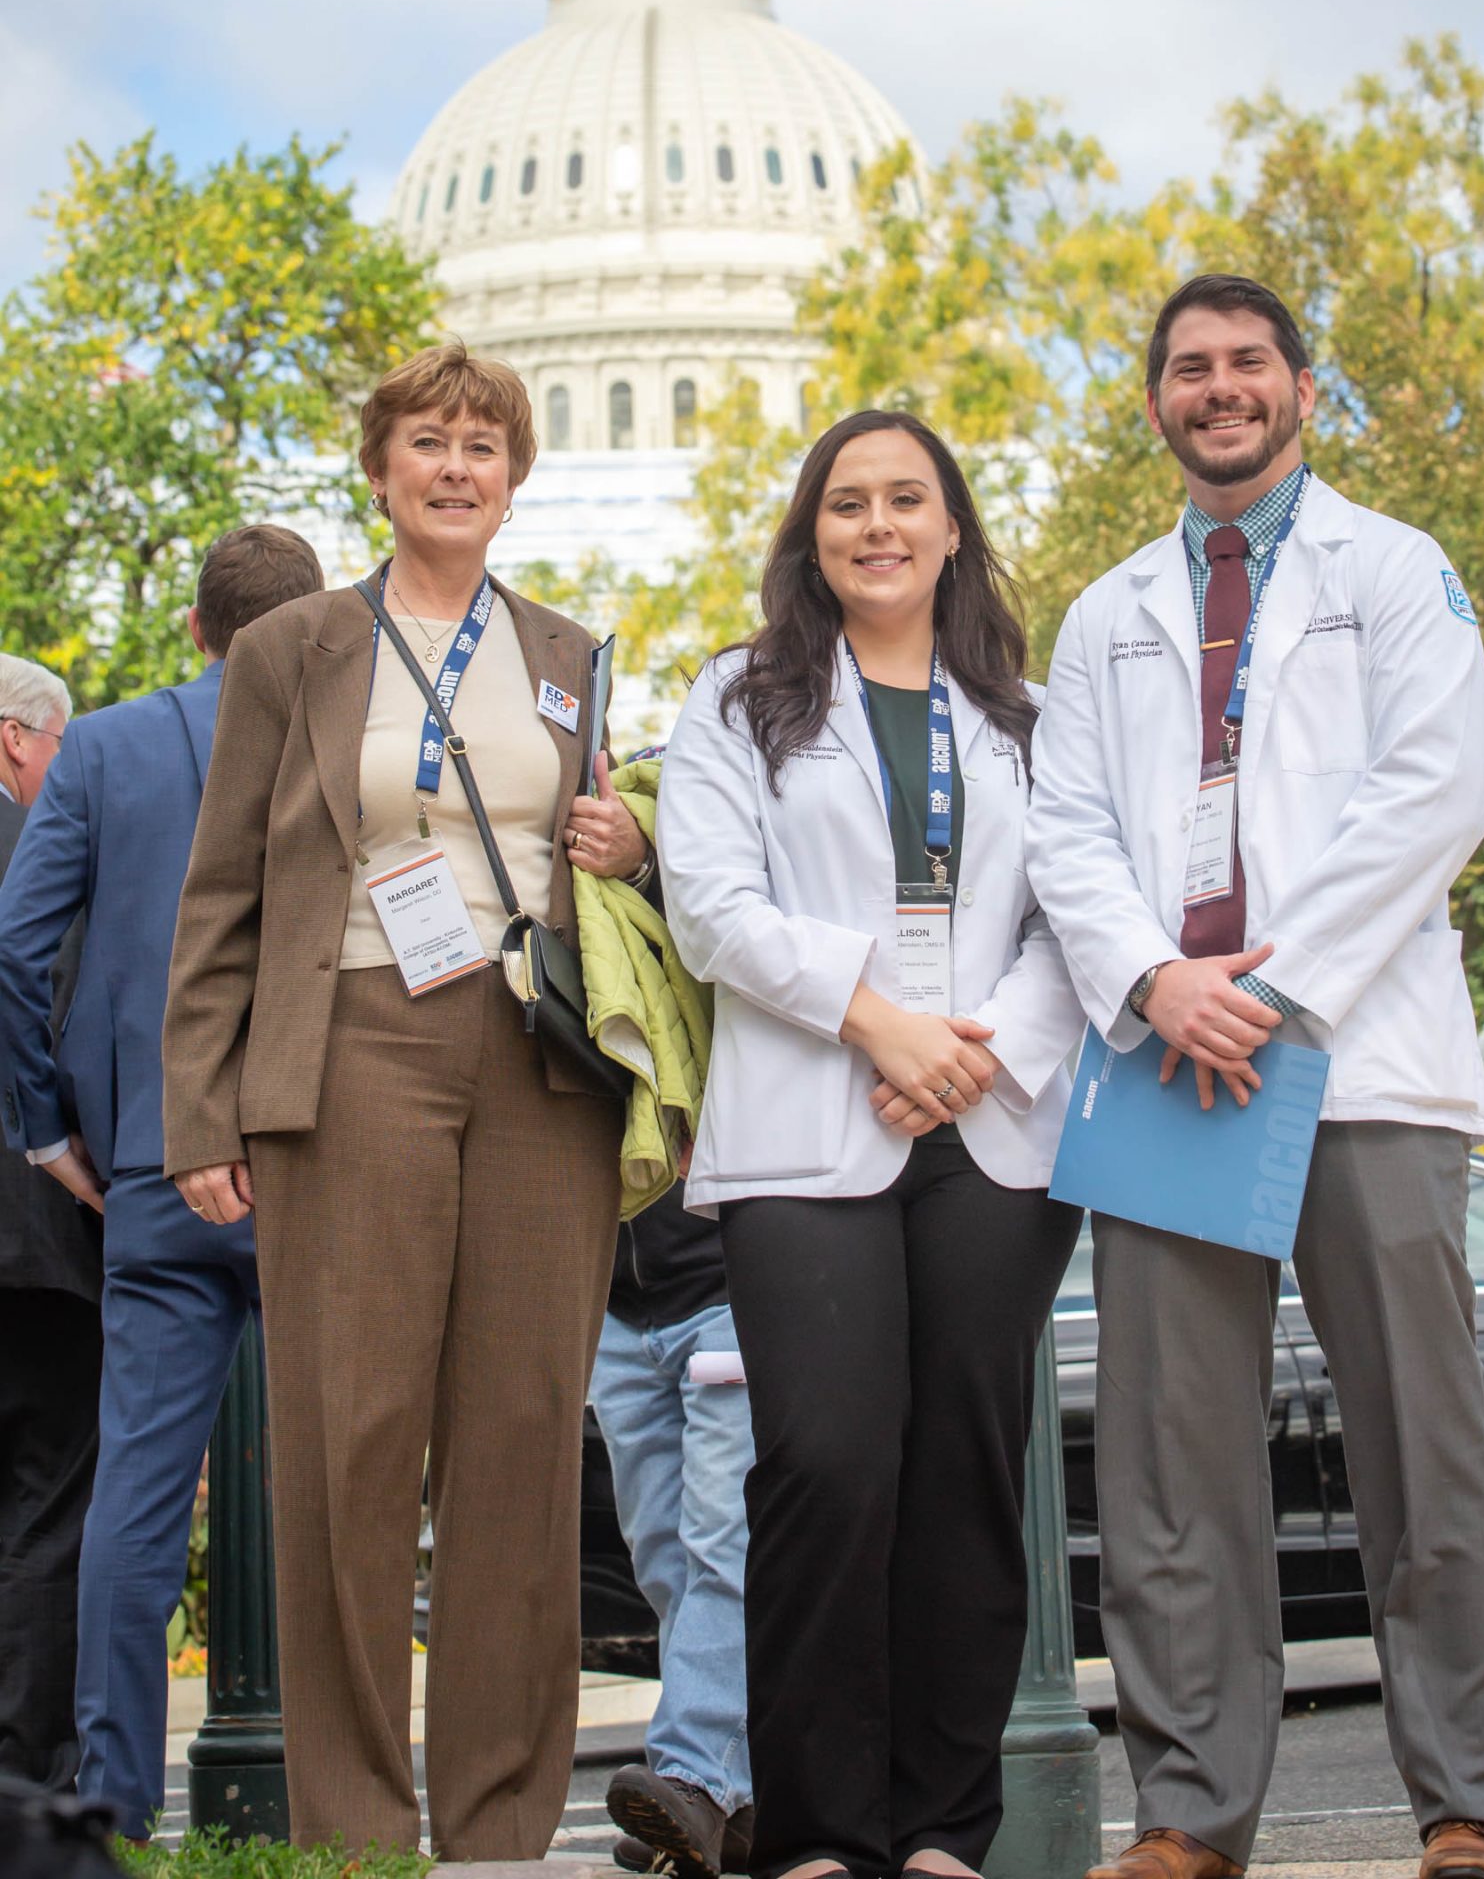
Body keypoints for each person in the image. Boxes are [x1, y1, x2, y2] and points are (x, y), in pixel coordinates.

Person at [1026, 274, 1484, 1879]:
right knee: (1174, 1472)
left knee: (1417, 1442)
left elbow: (1431, 792)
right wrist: (1157, 984)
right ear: (1155, 401)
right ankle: (1185, 1816)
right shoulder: (1104, 616)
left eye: (1247, 363)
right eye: (1189, 368)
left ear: (1303, 389)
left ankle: (1462, 1804)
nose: (1218, 388)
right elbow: (1069, 834)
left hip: (1357, 1058)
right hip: (1169, 1061)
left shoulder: (1393, 572)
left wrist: (1274, 986)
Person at [161, 342, 650, 1863]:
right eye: (428, 442)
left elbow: (599, 852)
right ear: (378, 469)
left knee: (517, 1442)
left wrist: (621, 837)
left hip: (535, 1057)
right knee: (348, 1448)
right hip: (351, 1044)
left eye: (483, 447)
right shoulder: (294, 648)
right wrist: (202, 1110)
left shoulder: (569, 652)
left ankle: (498, 1831)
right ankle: (360, 1834)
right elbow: (222, 890)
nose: (455, 468)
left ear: (515, 478)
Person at [658, 408, 1085, 1879]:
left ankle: (941, 1834)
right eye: (847, 504)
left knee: (962, 1479)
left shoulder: (1029, 717)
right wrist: (878, 1026)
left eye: (907, 500)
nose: (878, 526)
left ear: (952, 526)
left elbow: (1068, 917)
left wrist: (975, 1054)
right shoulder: (737, 700)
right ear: (812, 533)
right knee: (826, 1470)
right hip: (805, 1131)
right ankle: (822, 1836)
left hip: (991, 1130)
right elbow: (711, 907)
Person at [0, 534, 324, 1838]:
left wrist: (51, 1133)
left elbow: (18, 955)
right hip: (326, 1171)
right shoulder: (359, 751)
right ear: (313, 630)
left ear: (194, 625)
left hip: (147, 1169)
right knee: (353, 1496)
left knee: (131, 1506)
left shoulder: (103, 752)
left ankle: (116, 1811)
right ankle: (349, 1812)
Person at [0, 654, 100, 1795]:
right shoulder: (42, 855)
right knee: (44, 1511)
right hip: (40, 1242)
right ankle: (28, 1785)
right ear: (19, 740)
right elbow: (70, 1022)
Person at [595, 1182, 755, 1879]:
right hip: (614, 1313)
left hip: (725, 1292)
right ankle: (738, 1803)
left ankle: (692, 1774)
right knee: (661, 1556)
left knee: (724, 1541)